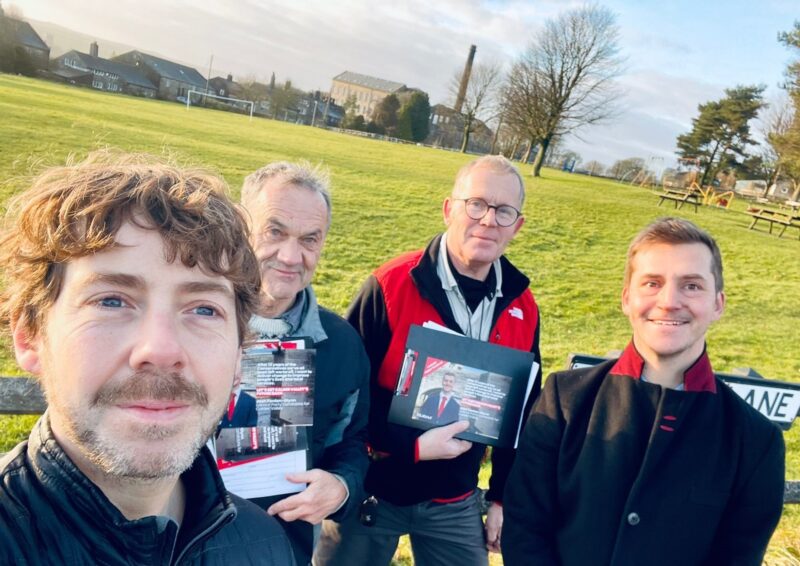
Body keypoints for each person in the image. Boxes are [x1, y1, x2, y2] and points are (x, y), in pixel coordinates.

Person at [0, 151, 295, 565]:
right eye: (111, 301)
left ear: (239, 358)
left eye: (204, 309)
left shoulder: (264, 544)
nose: (161, 350)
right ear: (30, 336)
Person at [503, 217, 786, 566]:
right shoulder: (565, 399)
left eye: (692, 286)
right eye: (652, 283)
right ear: (626, 299)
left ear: (718, 304)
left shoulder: (756, 442)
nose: (669, 301)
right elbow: (526, 526)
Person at [317, 155, 542, 566]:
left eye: (504, 211)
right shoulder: (390, 284)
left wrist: (502, 498)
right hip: (374, 488)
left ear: (517, 226)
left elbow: (522, 413)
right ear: (448, 209)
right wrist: (414, 446)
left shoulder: (523, 307)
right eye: (476, 204)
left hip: (455, 499)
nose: (489, 220)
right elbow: (348, 394)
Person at [239, 161, 370, 566]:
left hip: (283, 546)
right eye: (274, 232)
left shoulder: (343, 345)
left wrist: (341, 487)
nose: (291, 256)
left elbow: (351, 441)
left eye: (310, 239)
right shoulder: (186, 320)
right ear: (241, 227)